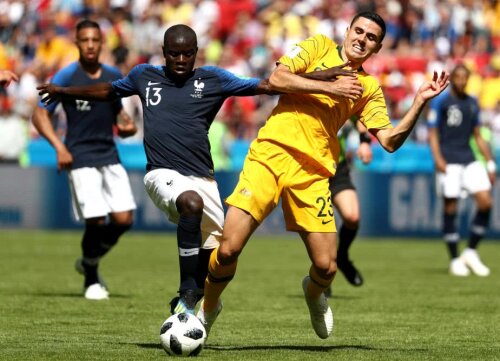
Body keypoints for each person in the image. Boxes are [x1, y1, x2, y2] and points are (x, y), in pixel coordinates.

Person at [198, 11, 449, 339]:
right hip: (270, 155)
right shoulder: (317, 47)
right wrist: (329, 86)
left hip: (314, 172)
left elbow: (388, 141)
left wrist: (418, 102)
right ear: (347, 31)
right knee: (229, 248)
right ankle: (206, 310)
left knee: (326, 266)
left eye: (371, 37)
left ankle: (314, 294)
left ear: (378, 47)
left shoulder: (368, 88)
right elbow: (276, 80)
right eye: (358, 31)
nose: (362, 39)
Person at [32, 19, 137, 301]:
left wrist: (126, 124)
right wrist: (59, 147)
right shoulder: (66, 77)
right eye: (85, 40)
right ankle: (91, 279)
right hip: (79, 155)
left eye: (95, 40)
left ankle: (88, 261)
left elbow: (119, 113)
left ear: (102, 43)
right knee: (95, 220)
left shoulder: (113, 74)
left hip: (109, 153)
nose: (90, 45)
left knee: (125, 219)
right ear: (77, 43)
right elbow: (40, 115)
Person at [428, 64, 494, 277]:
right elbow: (432, 133)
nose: (461, 81)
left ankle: (471, 251)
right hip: (449, 160)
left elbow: (477, 134)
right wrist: (437, 158)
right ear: (452, 78)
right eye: (458, 77)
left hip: (468, 158)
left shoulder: (472, 102)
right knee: (451, 208)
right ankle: (455, 258)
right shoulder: (441, 101)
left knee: (486, 202)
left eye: (465, 77)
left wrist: (490, 162)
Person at [323, 119, 373, 298]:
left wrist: (364, 141)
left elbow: (360, 114)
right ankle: (321, 278)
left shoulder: (343, 93)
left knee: (352, 217)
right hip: (310, 169)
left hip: (338, 168)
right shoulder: (307, 93)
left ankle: (342, 256)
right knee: (320, 227)